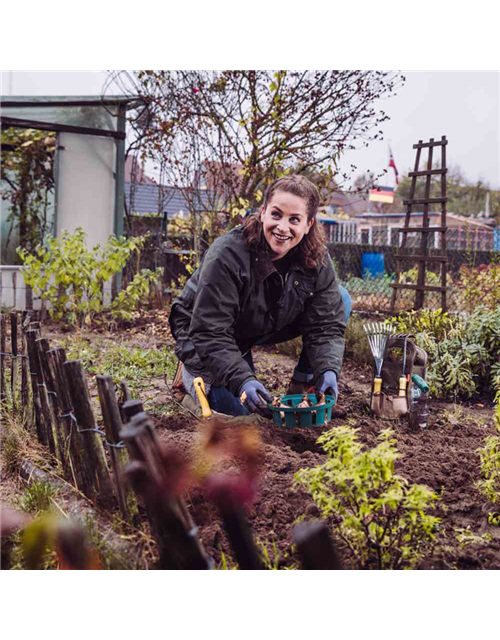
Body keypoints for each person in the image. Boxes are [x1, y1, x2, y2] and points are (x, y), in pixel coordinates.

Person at [169, 175, 351, 417]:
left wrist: (328, 370)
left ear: (308, 224)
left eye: (294, 219)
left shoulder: (316, 257)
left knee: (341, 298)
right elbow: (209, 330)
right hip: (204, 331)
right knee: (245, 415)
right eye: (276, 215)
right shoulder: (228, 255)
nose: (282, 227)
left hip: (260, 319)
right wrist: (243, 379)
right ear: (263, 212)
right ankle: (189, 376)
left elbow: (326, 325)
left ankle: (303, 382)